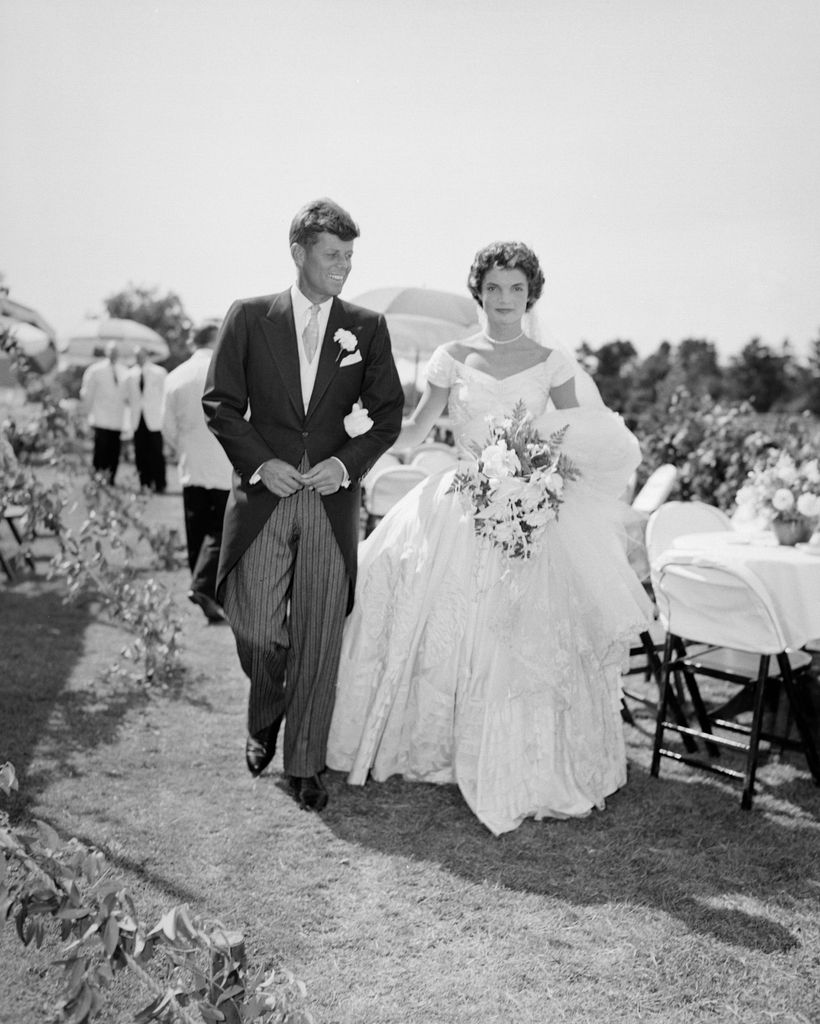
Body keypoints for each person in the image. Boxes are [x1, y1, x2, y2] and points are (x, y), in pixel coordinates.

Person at [326, 241, 654, 836]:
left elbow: (577, 435)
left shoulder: (552, 361)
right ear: (479, 290)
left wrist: (542, 472)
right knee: (425, 608)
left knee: (524, 627)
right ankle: (434, 741)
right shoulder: (452, 357)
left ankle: (523, 751)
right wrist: (354, 431)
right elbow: (419, 426)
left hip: (529, 506)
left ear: (532, 295)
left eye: (517, 289)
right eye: (495, 288)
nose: (505, 300)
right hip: (459, 501)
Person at [202, 197, 405, 811]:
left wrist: (344, 466)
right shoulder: (247, 316)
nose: (342, 265)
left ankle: (306, 763)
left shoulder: (366, 327)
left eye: (349, 256)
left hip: (330, 502)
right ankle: (265, 710)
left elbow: (388, 414)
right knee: (259, 627)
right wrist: (264, 463)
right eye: (331, 254)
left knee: (319, 633)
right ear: (299, 253)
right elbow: (221, 403)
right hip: (264, 496)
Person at [162, 323, 233, 623]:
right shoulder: (228, 371)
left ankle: (200, 587)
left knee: (197, 531)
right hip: (224, 462)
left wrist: (184, 447)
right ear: (217, 339)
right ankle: (206, 589)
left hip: (190, 466)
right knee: (221, 530)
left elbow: (166, 427)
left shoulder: (175, 376)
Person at [79, 341, 129, 484]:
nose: (114, 354)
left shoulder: (124, 371)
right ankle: (97, 476)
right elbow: (87, 393)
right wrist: (86, 414)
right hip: (100, 417)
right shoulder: (95, 370)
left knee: (114, 450)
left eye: (116, 352)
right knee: (100, 450)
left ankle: (111, 477)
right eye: (111, 351)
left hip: (117, 418)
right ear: (106, 352)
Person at [128, 346, 168, 492]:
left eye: (141, 355)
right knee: (140, 453)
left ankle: (160, 483)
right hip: (138, 419)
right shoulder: (130, 374)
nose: (139, 358)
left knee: (156, 453)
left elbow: (165, 395)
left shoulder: (159, 372)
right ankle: (144, 483)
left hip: (154, 419)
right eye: (136, 355)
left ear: (147, 355)